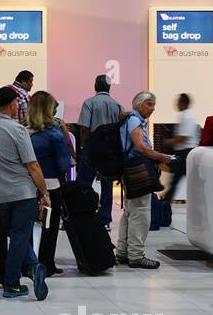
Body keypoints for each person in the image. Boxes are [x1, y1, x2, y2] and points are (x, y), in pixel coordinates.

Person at [0, 86, 51, 299]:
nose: (18, 106)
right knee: (19, 237)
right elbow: (32, 165)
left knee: (15, 236)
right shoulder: (18, 129)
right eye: (17, 103)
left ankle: (33, 268)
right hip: (23, 192)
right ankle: (12, 283)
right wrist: (44, 192)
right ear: (11, 104)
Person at [117, 92, 174, 270]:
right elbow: (141, 147)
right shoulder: (134, 121)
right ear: (138, 104)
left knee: (130, 212)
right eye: (149, 104)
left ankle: (123, 252)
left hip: (129, 170)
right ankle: (136, 256)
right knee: (140, 213)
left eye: (153, 105)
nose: (152, 108)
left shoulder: (130, 120)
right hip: (137, 171)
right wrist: (162, 156)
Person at [27, 90, 73, 277]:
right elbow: (64, 163)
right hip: (51, 185)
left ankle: (27, 263)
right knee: (49, 227)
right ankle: (46, 264)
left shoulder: (22, 130)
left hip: (26, 184)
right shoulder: (54, 133)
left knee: (26, 226)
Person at [77, 74, 123, 228]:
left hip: (92, 150)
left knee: (83, 184)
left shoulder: (89, 103)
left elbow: (84, 128)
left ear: (95, 86)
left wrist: (84, 147)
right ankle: (105, 220)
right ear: (109, 87)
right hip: (110, 152)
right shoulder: (118, 106)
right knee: (107, 185)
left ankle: (80, 215)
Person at [159, 93, 198, 202]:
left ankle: (166, 201)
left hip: (185, 153)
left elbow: (183, 138)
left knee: (175, 180)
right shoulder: (186, 115)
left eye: (178, 101)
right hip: (183, 153)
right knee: (176, 180)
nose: (176, 104)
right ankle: (167, 200)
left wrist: (168, 141)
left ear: (183, 103)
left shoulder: (187, 116)